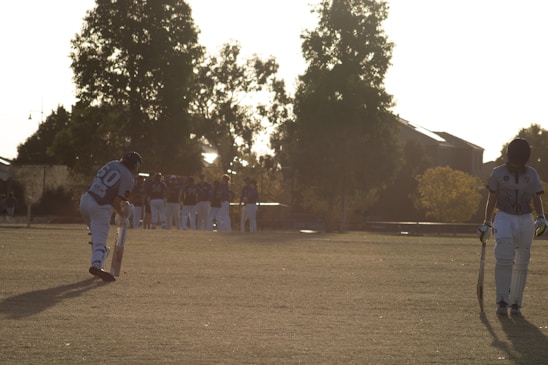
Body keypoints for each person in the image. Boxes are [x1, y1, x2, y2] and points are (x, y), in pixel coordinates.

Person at [478, 138, 546, 316]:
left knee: (522, 261)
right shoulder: (498, 172)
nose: (517, 165)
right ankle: (502, 300)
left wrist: (541, 217)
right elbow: (492, 198)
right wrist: (487, 221)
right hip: (504, 217)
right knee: (504, 254)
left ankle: (516, 303)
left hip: (525, 218)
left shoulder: (531, 174)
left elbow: (536, 197)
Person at [79, 151, 142, 282]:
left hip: (85, 200)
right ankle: (97, 264)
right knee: (100, 237)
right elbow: (115, 202)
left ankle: (102, 255)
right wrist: (123, 216)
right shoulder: (129, 177)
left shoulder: (112, 163)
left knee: (96, 235)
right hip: (100, 206)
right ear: (135, 166)